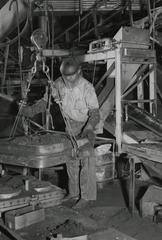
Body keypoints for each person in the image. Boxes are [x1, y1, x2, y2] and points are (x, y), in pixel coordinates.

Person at [21, 57, 101, 207]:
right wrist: (30, 110)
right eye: (66, 77)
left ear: (79, 72)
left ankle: (87, 197)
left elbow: (95, 113)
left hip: (86, 124)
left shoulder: (87, 87)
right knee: (71, 160)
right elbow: (46, 102)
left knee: (86, 159)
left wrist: (88, 129)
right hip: (70, 125)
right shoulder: (57, 84)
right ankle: (73, 193)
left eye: (72, 76)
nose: (69, 80)